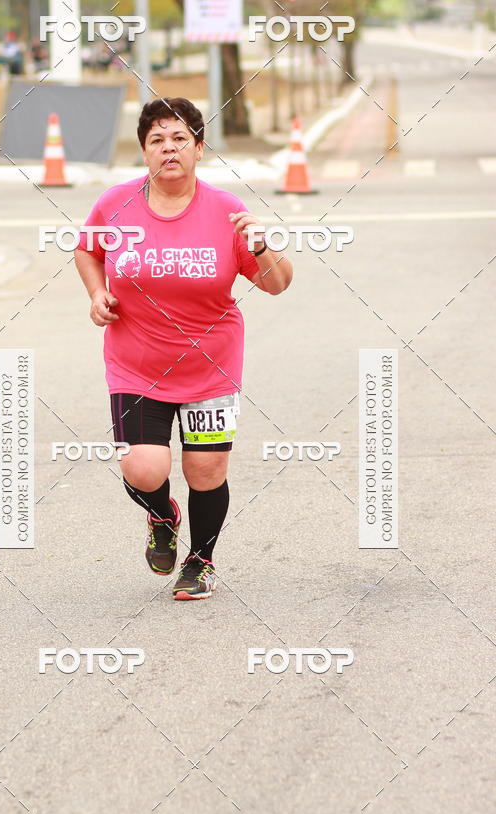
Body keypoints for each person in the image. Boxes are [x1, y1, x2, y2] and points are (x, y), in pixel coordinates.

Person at [75, 97, 292, 600]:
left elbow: (277, 284)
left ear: (198, 149)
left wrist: (261, 246)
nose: (168, 148)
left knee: (205, 470)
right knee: (143, 467)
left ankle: (201, 560)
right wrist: (96, 293)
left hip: (210, 365)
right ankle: (161, 516)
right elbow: (88, 250)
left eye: (179, 139)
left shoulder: (228, 211)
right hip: (136, 364)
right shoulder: (115, 204)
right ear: (145, 153)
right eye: (156, 140)